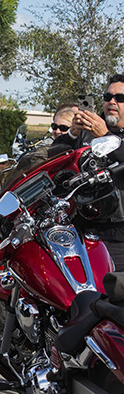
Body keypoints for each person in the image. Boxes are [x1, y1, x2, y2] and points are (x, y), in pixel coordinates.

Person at [54, 75, 124, 269]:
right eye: (108, 96)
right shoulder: (88, 129)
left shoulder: (101, 130)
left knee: (115, 294)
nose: (112, 102)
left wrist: (106, 136)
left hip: (119, 234)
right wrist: (71, 134)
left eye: (119, 98)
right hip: (82, 229)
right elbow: (53, 158)